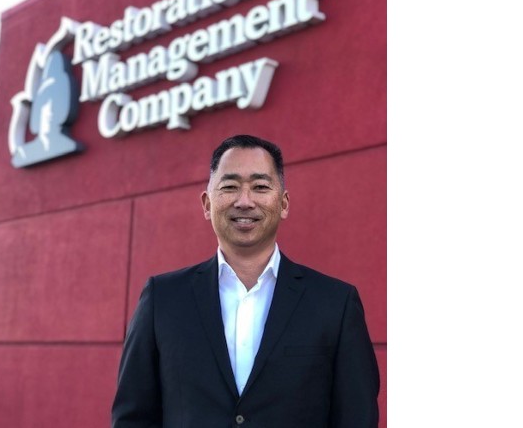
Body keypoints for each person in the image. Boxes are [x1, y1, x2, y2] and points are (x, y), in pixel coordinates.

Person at [112, 134, 380, 428]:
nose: (244, 201)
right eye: (229, 187)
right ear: (207, 204)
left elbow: (357, 417)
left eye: (260, 187)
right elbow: (132, 417)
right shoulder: (163, 299)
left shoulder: (335, 304)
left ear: (284, 203)